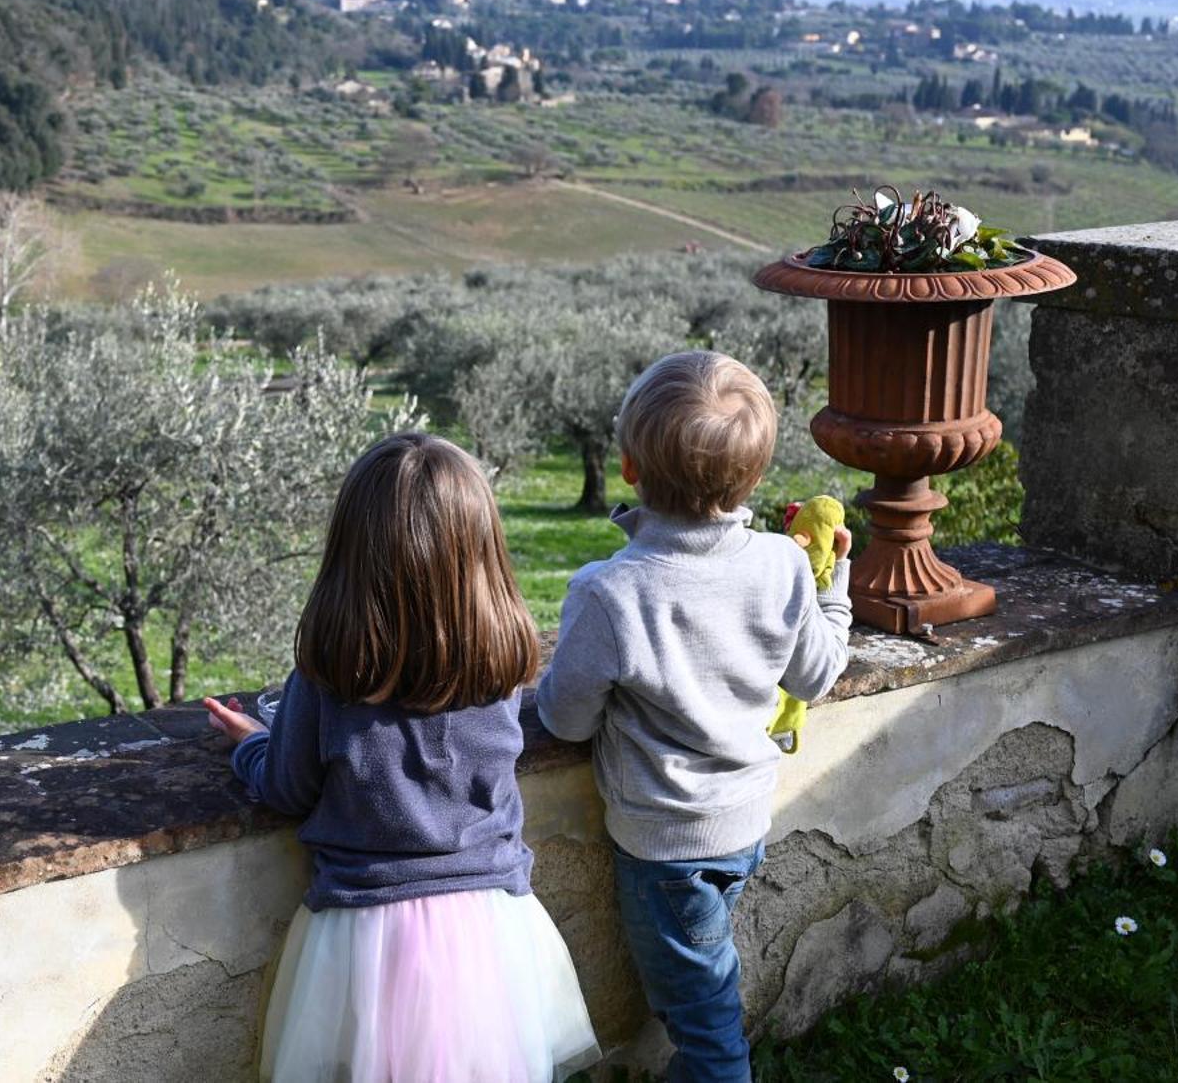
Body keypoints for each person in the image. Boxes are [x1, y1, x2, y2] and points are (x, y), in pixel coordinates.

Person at [206, 432, 600, 1083]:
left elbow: (286, 786)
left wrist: (251, 742)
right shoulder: (497, 667)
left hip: (365, 938)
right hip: (490, 930)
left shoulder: (328, 677)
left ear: (350, 554)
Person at [537, 351, 853, 1082]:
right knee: (704, 986)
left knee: (708, 1033)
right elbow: (816, 671)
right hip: (746, 822)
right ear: (755, 476)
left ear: (627, 468)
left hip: (666, 847)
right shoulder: (781, 563)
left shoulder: (610, 592)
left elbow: (565, 722)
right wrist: (837, 589)